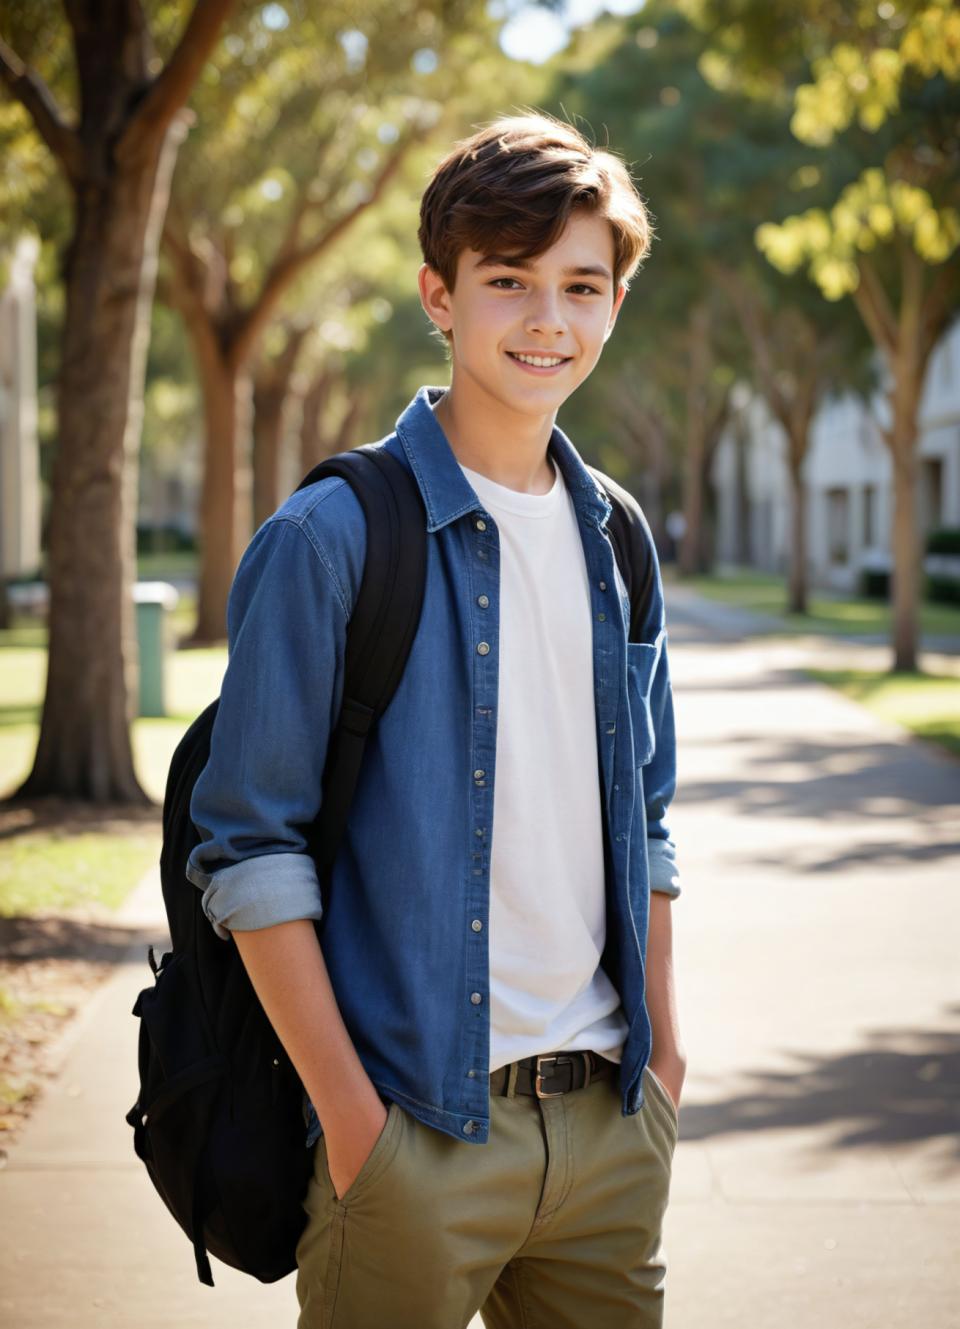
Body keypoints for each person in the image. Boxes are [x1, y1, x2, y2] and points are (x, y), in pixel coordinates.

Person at [185, 109, 685, 1329]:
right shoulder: (331, 538)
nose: (547, 321)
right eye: (508, 282)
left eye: (581, 285)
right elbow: (250, 850)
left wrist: (663, 1062)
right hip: (411, 1131)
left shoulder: (616, 538)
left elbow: (650, 819)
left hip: (609, 1128)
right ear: (440, 295)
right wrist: (356, 1125)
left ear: (617, 300)